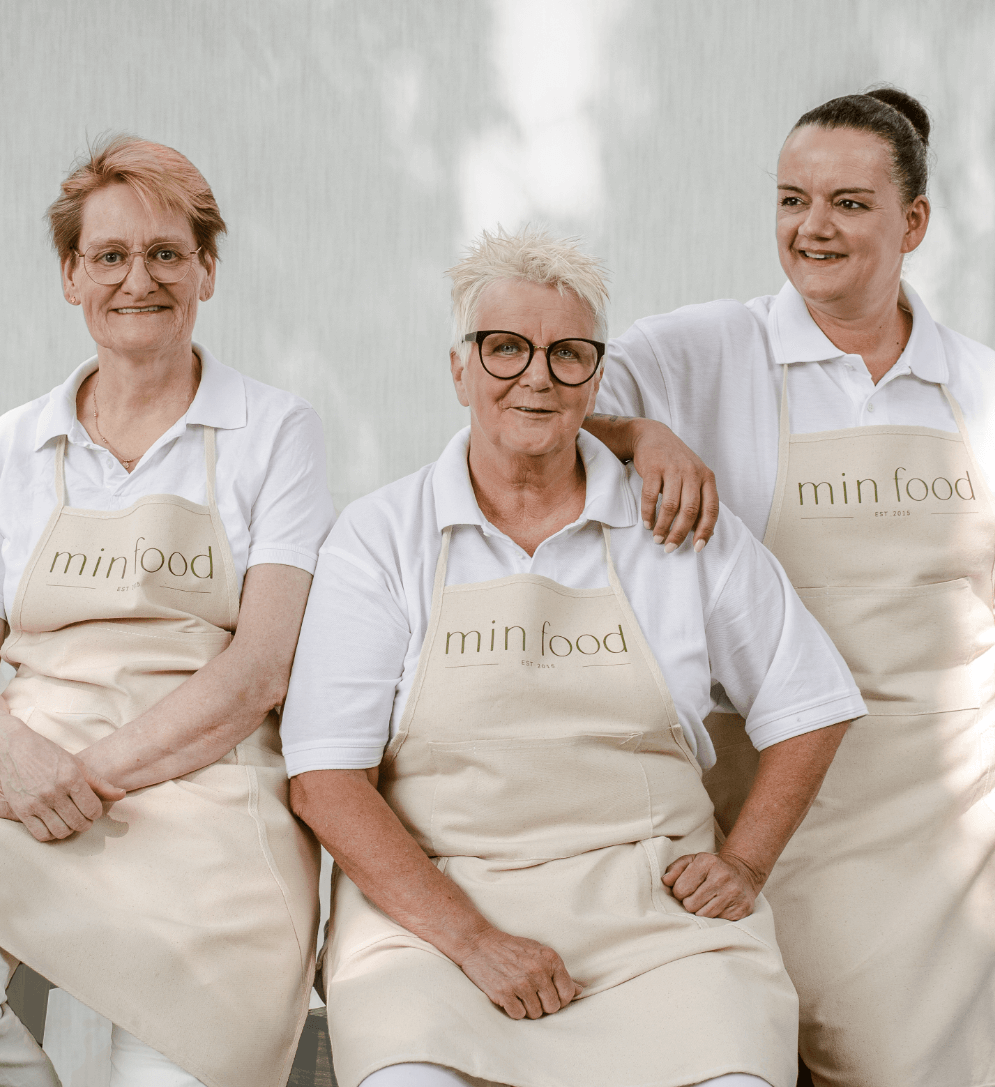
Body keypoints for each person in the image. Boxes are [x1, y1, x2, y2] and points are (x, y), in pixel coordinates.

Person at [586, 90, 995, 1087]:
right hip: (767, 805)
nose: (813, 226)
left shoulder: (981, 387)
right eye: (791, 198)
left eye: (850, 203)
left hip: (948, 823)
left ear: (914, 223)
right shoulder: (706, 350)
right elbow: (541, 398)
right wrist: (642, 434)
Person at [282, 230, 866, 1087]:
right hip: (434, 917)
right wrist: (474, 941)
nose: (537, 375)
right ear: (460, 369)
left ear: (595, 380)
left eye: (568, 354)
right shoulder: (379, 538)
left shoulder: (678, 525)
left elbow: (810, 703)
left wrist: (743, 864)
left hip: (654, 919)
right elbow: (325, 780)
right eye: (506, 348)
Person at [0, 136, 333, 1087]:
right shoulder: (11, 446)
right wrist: (17, 757)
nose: (138, 280)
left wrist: (79, 775)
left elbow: (261, 672)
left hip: (207, 788)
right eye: (110, 256)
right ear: (72, 276)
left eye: (167, 253)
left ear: (207, 268)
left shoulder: (275, 433)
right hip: (21, 765)